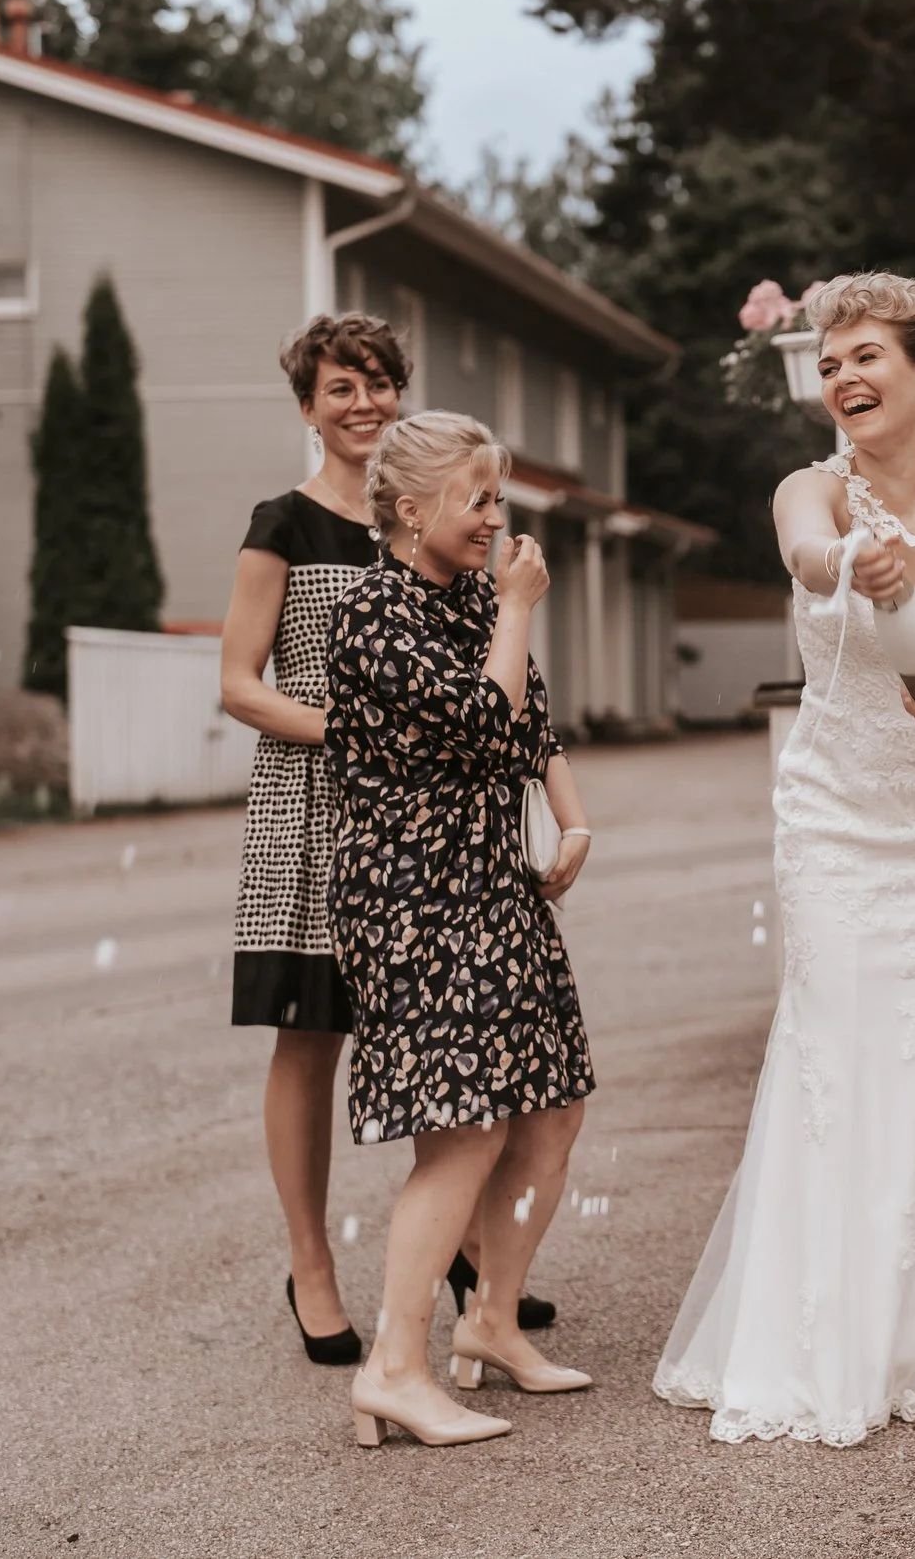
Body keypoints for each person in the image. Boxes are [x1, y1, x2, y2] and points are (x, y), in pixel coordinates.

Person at [654, 272, 915, 1447]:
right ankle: (833, 1326)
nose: (844, 379)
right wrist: (853, 560)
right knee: (838, 1048)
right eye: (830, 363)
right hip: (840, 812)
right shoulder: (811, 488)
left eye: (865, 358)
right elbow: (801, 552)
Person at [221, 316, 553, 1369]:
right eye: (338, 386)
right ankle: (311, 1262)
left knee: (435, 1026)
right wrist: (367, 730)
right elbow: (238, 684)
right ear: (306, 404)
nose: (361, 402)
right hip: (317, 805)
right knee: (312, 1033)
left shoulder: (430, 505)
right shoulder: (285, 522)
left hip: (439, 813)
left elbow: (500, 684)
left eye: (378, 384)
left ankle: (458, 1251)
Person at [327, 411, 598, 1446]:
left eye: (496, 498)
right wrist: (520, 607)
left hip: (494, 887)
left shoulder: (475, 598)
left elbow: (530, 718)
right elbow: (484, 723)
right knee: (465, 1125)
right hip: (414, 899)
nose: (495, 517)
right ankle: (392, 1364)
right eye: (477, 499)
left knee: (553, 1106)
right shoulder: (372, 615)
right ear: (410, 510)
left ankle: (489, 1321)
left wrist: (572, 815)